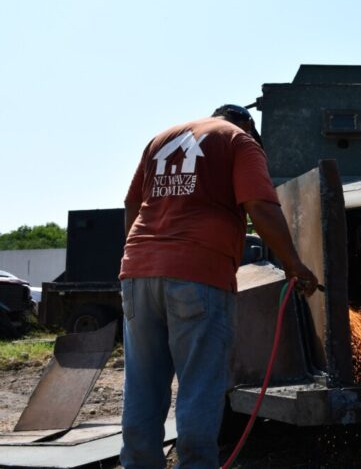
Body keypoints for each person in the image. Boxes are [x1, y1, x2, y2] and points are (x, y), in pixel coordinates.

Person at [119, 104, 318, 468]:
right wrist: (295, 265)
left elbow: (133, 204)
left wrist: (143, 255)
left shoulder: (161, 140)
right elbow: (260, 204)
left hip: (137, 273)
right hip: (198, 274)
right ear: (246, 122)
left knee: (143, 386)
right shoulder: (239, 141)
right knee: (200, 386)